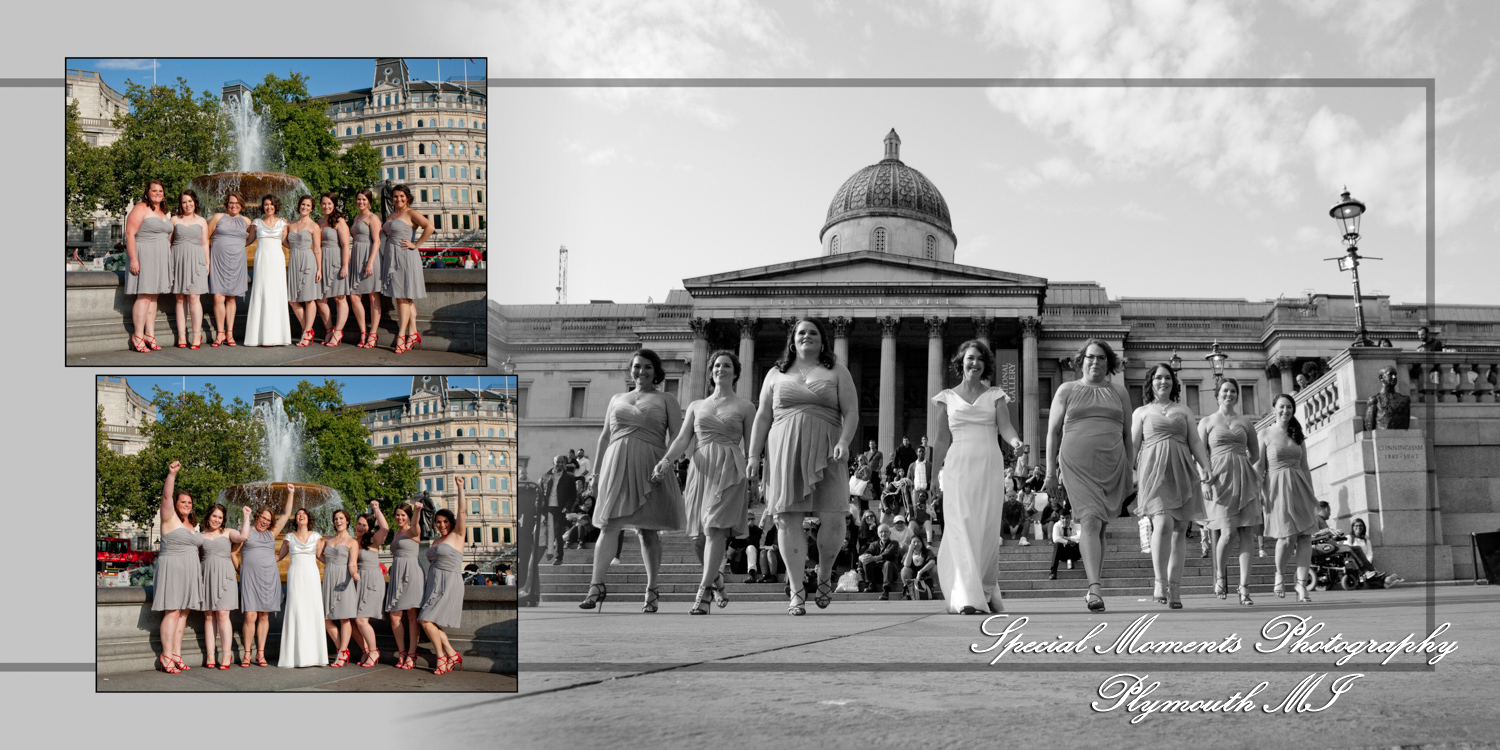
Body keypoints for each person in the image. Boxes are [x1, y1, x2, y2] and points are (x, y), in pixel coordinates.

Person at [747, 318, 860, 616]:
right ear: (792, 341)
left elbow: (851, 411)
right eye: (801, 333)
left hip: (829, 447)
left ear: (822, 341)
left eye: (813, 332)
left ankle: (824, 573)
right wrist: (752, 456)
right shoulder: (775, 373)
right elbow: (762, 417)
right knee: (787, 519)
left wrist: (845, 441)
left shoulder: (837, 371)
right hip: (783, 448)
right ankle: (797, 591)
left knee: (835, 516)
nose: (806, 336)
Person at [581, 349, 687, 613]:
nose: (642, 371)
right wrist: (595, 473)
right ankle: (596, 585)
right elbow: (605, 436)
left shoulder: (666, 399)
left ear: (656, 371)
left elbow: (678, 436)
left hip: (651, 466)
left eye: (648, 367)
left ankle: (652, 589)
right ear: (631, 369)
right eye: (637, 366)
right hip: (616, 465)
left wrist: (667, 464)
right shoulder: (617, 398)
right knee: (608, 526)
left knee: (648, 530)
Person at [656, 350, 755, 615]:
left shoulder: (746, 407)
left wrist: (758, 475)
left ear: (735, 373)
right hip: (700, 470)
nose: (721, 369)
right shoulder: (697, 406)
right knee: (698, 539)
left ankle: (703, 593)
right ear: (711, 372)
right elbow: (682, 440)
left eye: (727, 366)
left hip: (731, 469)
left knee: (714, 530)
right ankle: (717, 580)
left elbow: (754, 444)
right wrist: (666, 462)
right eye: (717, 366)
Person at [934, 339, 1028, 614]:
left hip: (988, 463)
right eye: (970, 358)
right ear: (960, 362)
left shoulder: (996, 395)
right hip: (958, 465)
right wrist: (931, 479)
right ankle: (965, 594)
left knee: (986, 529)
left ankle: (985, 589)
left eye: (980, 359)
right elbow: (940, 441)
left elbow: (1006, 427)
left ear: (985, 365)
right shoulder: (945, 398)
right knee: (960, 525)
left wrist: (1015, 443)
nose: (974, 363)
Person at [1043, 339, 1132, 613]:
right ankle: (1094, 588)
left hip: (1112, 465)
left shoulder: (1120, 392)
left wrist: (1131, 470)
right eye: (1090, 357)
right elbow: (1053, 432)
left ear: (1109, 363)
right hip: (1076, 465)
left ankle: (1096, 582)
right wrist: (1049, 472)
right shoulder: (1067, 389)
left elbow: (1128, 434)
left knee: (1100, 526)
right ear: (1081, 360)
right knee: (1091, 521)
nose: (1096, 362)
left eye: (1102, 358)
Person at [1131, 363, 1214, 609]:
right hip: (1152, 471)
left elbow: (1196, 442)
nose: (1163, 382)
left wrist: (1205, 465)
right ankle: (1160, 581)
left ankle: (1175, 588)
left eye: (1167, 378)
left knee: (1179, 529)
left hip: (1181, 470)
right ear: (1151, 382)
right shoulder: (1141, 412)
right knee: (1163, 522)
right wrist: (1130, 474)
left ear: (1173, 383)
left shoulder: (1184, 410)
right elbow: (1134, 446)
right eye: (1158, 378)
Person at [1199, 378, 1262, 606]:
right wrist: (1204, 482)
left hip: (1244, 478)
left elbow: (1255, 455)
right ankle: (1219, 575)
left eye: (1233, 391)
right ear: (1217, 394)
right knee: (1227, 533)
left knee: (1246, 533)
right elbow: (1200, 455)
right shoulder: (1206, 422)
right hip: (1218, 480)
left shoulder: (1245, 422)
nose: (1229, 394)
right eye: (1225, 390)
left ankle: (1244, 587)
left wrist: (1256, 476)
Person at [1259, 393, 1320, 603]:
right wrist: (1259, 494)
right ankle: (1279, 574)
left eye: (1289, 408)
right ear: (1274, 408)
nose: (1286, 411)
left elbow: (1305, 467)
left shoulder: (1298, 435)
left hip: (1300, 488)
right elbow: (1259, 468)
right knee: (1285, 538)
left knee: (1305, 537)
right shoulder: (1264, 434)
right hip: (1276, 489)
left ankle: (1301, 585)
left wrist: (1313, 498)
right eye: (1282, 407)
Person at [152, 461, 203, 673]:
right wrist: (171, 474)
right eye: (183, 501)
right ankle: (165, 656)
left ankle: (176, 654)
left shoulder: (192, 525)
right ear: (176, 503)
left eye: (190, 502)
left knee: (183, 614)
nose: (187, 504)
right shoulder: (169, 516)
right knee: (172, 612)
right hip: (172, 568)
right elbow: (166, 496)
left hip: (190, 571)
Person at [240, 486, 294, 667]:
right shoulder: (246, 531)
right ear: (257, 516)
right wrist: (239, 568)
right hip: (250, 578)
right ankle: (247, 653)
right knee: (250, 616)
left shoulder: (272, 533)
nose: (264, 521)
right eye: (263, 517)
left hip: (269, 578)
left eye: (268, 520)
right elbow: (233, 552)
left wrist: (291, 493)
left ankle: (260, 654)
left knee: (264, 616)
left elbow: (286, 515)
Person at [380, 184, 435, 353]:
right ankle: (413, 333)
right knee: (405, 299)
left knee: (402, 298)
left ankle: (401, 337)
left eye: (402, 196)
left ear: (407, 197)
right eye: (396, 196)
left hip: (405, 256)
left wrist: (416, 244)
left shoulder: (411, 213)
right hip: (392, 257)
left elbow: (430, 227)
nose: (399, 199)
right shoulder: (392, 214)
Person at [420, 485, 467, 674]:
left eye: (445, 521)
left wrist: (461, 488)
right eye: (438, 522)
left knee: (425, 620)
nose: (441, 525)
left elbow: (462, 511)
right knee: (430, 620)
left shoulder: (458, 535)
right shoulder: (435, 542)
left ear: (451, 522)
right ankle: (452, 654)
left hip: (449, 582)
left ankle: (442, 657)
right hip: (434, 583)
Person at [197, 502, 248, 669]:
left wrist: (246, 516)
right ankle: (210, 655)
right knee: (209, 615)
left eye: (220, 517)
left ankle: (227, 654)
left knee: (223, 614)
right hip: (207, 576)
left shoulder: (228, 532)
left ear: (223, 519)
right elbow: (197, 556)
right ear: (208, 517)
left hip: (225, 577)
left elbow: (243, 537)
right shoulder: (200, 535)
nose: (216, 520)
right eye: (214, 516)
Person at [124, 180, 172, 353]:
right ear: (148, 192)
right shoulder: (141, 207)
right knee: (144, 296)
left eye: (160, 190)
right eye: (154, 190)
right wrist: (134, 259)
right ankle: (137, 336)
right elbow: (130, 233)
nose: (158, 193)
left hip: (160, 257)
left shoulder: (162, 211)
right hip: (144, 254)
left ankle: (149, 335)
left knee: (154, 297)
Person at [277, 507, 327, 668]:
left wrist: (342, 564)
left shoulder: (317, 537)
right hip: (296, 576)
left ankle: (316, 656)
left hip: (311, 576)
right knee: (296, 609)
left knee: (313, 610)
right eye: (298, 514)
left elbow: (320, 556)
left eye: (303, 514)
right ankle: (293, 657)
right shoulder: (289, 537)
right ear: (295, 519)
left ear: (308, 518)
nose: (301, 516)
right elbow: (278, 556)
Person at [244, 195, 292, 346]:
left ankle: (278, 337)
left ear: (275, 206)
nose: (268, 207)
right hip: (262, 261)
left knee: (277, 294)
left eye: (271, 204)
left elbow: (285, 242)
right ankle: (258, 337)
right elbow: (248, 241)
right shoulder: (256, 223)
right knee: (261, 293)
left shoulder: (283, 223)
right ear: (262, 207)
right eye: (266, 204)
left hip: (277, 261)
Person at [205, 192, 250, 346]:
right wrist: (206, 260)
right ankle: (220, 333)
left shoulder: (246, 221)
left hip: (237, 261)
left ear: (242, 205)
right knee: (218, 297)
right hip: (218, 260)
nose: (234, 205)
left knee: (231, 298)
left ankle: (230, 334)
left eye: (237, 203)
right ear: (226, 204)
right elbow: (206, 236)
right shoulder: (218, 217)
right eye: (231, 202)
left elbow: (259, 233)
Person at [384, 501, 425, 670]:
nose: (399, 517)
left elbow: (415, 526)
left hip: (412, 572)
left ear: (408, 517)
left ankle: (412, 654)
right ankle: (402, 652)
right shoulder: (396, 533)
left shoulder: (412, 531)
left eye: (403, 515)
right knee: (394, 615)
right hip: (397, 573)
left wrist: (417, 511)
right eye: (397, 514)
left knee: (411, 615)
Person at [167, 190, 210, 349]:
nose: (187, 204)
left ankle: (197, 334)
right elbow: (169, 243)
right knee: (180, 298)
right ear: (181, 204)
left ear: (195, 202)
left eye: (190, 201)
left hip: (197, 260)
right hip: (178, 259)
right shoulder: (173, 220)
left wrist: (207, 263)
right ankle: (181, 336)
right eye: (184, 202)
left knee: (194, 297)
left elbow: (205, 243)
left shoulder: (202, 221)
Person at [317, 509, 360, 667]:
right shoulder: (327, 539)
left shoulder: (352, 542)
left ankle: (342, 653)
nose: (338, 521)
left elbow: (353, 563)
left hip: (344, 579)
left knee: (344, 618)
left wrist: (354, 574)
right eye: (335, 518)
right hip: (329, 578)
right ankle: (342, 649)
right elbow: (320, 555)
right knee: (326, 619)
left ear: (347, 521)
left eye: (341, 518)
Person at [285, 195, 324, 347]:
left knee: (309, 298)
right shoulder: (290, 224)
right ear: (299, 205)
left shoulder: (314, 226)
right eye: (303, 204)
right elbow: (286, 242)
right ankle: (307, 330)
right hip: (294, 261)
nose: (305, 207)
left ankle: (307, 332)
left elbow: (317, 249)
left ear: (312, 209)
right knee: (292, 300)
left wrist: (319, 268)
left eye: (308, 205)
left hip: (308, 261)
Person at [351, 505, 388, 667]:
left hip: (372, 580)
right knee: (351, 621)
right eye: (358, 523)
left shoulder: (373, 539)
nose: (360, 527)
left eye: (364, 525)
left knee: (361, 620)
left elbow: (385, 528)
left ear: (369, 527)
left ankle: (374, 651)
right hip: (358, 582)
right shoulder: (352, 542)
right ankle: (365, 651)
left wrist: (377, 509)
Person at [347, 189, 383, 348]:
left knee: (373, 296)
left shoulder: (373, 217)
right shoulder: (356, 218)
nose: (360, 202)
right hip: (356, 257)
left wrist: (370, 262)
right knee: (354, 296)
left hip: (370, 257)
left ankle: (373, 333)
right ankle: (363, 332)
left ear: (369, 201)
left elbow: (377, 241)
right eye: (358, 199)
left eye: (363, 199)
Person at [315, 193, 352, 346]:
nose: (326, 206)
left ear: (334, 204)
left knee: (339, 297)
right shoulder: (319, 222)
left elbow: (345, 245)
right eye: (324, 203)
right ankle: (329, 329)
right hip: (322, 261)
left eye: (329, 203)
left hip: (336, 259)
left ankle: (338, 332)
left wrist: (344, 266)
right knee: (320, 299)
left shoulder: (339, 221)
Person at [537, 455, 578, 564]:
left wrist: (567, 507)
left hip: (560, 509)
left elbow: (572, 495)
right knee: (545, 532)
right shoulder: (545, 476)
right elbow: (540, 494)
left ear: (564, 463)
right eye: (557, 462)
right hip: (547, 508)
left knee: (557, 532)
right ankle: (548, 553)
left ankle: (558, 557)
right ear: (553, 462)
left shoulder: (569, 477)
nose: (559, 464)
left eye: (561, 462)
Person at [857, 524, 902, 599]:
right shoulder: (873, 545)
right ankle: (871, 584)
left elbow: (888, 554)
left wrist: (874, 558)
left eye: (886, 531)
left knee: (887, 563)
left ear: (890, 533)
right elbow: (867, 552)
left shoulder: (894, 543)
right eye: (881, 532)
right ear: (878, 534)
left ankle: (886, 590)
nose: (883, 534)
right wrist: (863, 557)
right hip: (877, 573)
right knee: (866, 558)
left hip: (890, 573)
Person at [1364, 365, 1412, 431]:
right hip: (1381, 437)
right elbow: (1369, 427)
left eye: (1395, 374)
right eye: (1390, 374)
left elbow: (1406, 424)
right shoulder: (1374, 400)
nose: (1394, 377)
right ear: (1381, 378)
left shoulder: (1405, 400)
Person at [900, 535, 936, 600]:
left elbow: (932, 562)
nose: (916, 544)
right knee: (904, 570)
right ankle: (908, 590)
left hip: (925, 574)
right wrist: (910, 550)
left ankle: (932, 589)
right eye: (914, 542)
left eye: (918, 541)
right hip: (913, 576)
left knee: (934, 568)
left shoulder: (928, 552)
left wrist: (921, 572)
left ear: (922, 543)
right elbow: (906, 565)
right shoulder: (907, 553)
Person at [1049, 511, 1082, 579]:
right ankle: (1053, 572)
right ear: (1060, 519)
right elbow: (1055, 539)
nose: (1065, 520)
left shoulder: (1076, 524)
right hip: (1062, 553)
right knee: (1057, 544)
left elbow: (1081, 536)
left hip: (1075, 552)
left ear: (1070, 518)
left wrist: (1068, 538)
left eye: (1067, 518)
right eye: (1063, 518)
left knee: (1083, 543)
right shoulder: (1057, 525)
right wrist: (1068, 542)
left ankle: (1089, 571)